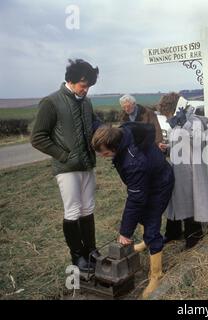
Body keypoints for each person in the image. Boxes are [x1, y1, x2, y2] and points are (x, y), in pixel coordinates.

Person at [31, 59, 101, 272]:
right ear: (70, 80)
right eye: (83, 84)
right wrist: (63, 155)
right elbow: (38, 137)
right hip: (66, 168)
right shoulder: (51, 102)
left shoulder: (86, 102)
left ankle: (91, 251)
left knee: (88, 208)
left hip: (87, 164)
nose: (86, 88)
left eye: (89, 84)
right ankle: (77, 256)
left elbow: (95, 124)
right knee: (73, 211)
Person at [92, 122, 174, 298]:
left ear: (115, 146)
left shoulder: (133, 161)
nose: (103, 156)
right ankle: (146, 243)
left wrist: (125, 232)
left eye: (105, 153)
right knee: (143, 216)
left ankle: (156, 275)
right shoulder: (122, 131)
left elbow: (136, 199)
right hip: (148, 178)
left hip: (159, 185)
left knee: (151, 224)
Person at [153, 92, 208, 250]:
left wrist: (185, 126)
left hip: (192, 169)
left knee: (191, 201)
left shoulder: (194, 121)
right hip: (179, 168)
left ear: (173, 108)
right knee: (178, 200)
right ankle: (174, 232)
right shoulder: (177, 123)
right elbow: (179, 143)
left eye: (167, 113)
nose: (167, 117)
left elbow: (199, 141)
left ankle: (194, 236)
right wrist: (167, 148)